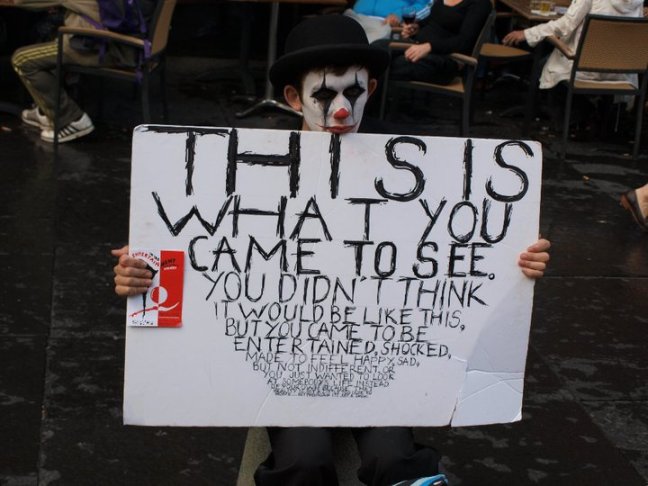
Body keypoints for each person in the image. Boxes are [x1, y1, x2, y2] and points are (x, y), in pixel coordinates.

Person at [112, 15, 551, 485]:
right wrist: (144, 272)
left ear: (372, 88)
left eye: (353, 93)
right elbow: (199, 243)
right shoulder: (245, 172)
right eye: (324, 95)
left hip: (381, 351)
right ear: (293, 97)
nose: (341, 110)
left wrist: (514, 261)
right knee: (303, 459)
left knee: (394, 458)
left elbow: (461, 246)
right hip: (285, 355)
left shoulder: (414, 172)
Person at [7, 0, 155, 143]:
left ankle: (70, 120)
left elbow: (21, 1)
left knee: (22, 59)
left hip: (97, 47)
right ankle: (46, 110)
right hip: (131, 46)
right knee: (48, 41)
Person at [502, 0, 643, 89]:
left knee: (541, 65)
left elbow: (565, 25)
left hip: (584, 70)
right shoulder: (638, 2)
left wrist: (528, 33)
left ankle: (559, 115)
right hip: (621, 73)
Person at [378, 0, 491, 85]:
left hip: (446, 60)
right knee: (377, 49)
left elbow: (464, 41)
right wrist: (416, 27)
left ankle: (377, 106)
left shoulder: (480, 3)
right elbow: (431, 21)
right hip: (419, 47)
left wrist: (430, 47)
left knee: (388, 64)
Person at [344, 0, 431, 43]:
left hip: (383, 23)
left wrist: (399, 15)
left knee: (362, 46)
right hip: (353, 16)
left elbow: (425, 6)